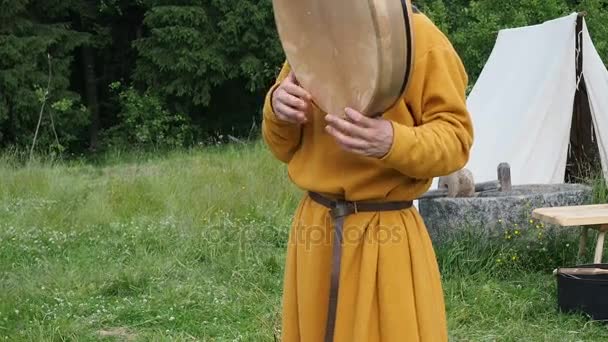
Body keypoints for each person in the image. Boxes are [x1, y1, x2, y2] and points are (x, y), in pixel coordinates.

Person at [261, 6, 474, 342]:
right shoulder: (313, 32)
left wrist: (394, 140)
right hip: (315, 231)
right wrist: (277, 109)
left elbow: (456, 140)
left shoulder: (424, 41)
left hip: (384, 236)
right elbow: (282, 148)